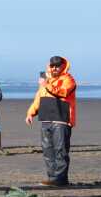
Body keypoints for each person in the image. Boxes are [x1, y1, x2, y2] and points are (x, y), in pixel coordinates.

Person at [26, 55, 77, 186]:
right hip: (46, 118)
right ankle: (52, 177)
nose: (54, 68)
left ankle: (61, 178)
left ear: (62, 66)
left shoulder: (69, 80)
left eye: (57, 66)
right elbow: (39, 97)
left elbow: (63, 92)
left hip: (62, 119)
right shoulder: (46, 81)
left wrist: (46, 84)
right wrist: (31, 113)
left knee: (61, 150)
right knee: (47, 150)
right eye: (52, 65)